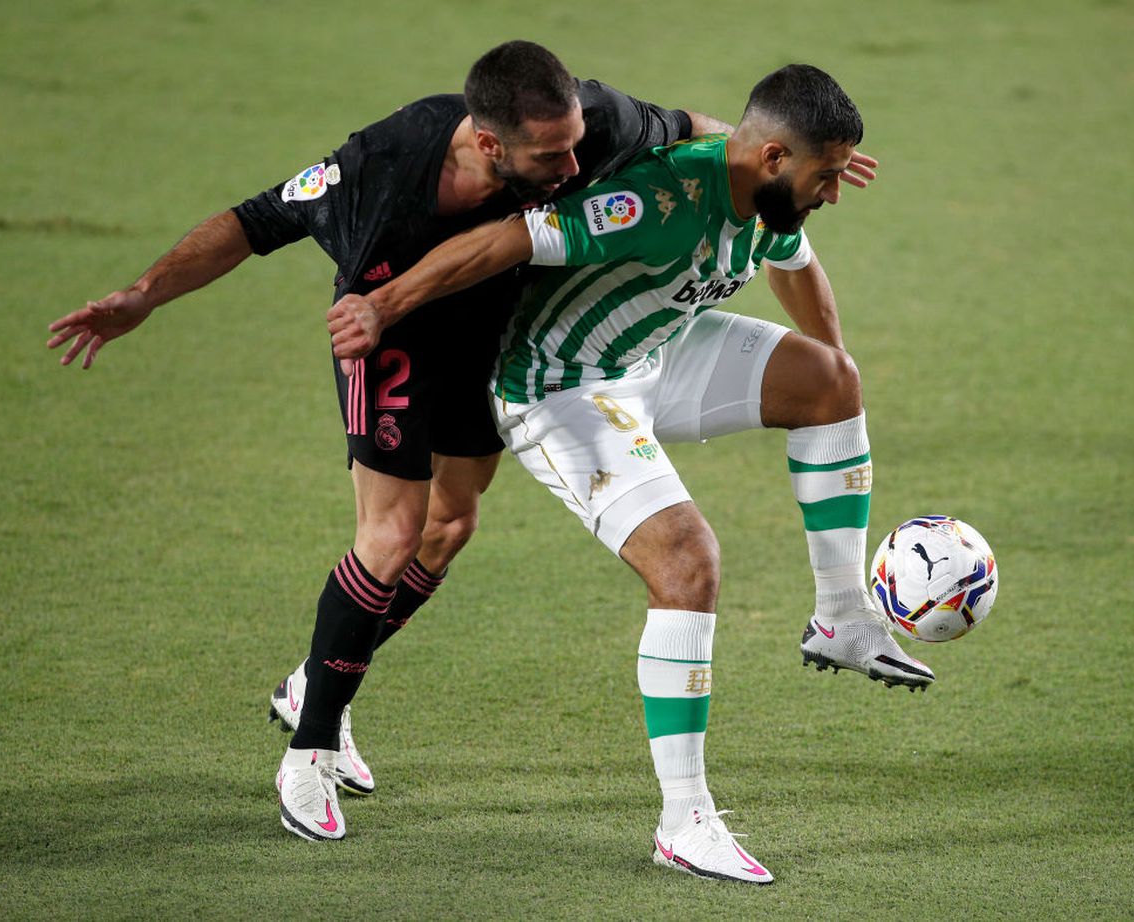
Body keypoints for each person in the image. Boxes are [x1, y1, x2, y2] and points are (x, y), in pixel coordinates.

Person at [47, 42, 879, 844]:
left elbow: (694, 128)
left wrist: (801, 164)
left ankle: (309, 683)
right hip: (390, 325)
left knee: (450, 528)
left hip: (491, 330)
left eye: (575, 148)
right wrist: (143, 295)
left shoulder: (589, 122)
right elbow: (254, 220)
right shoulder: (377, 170)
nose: (571, 171)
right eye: (551, 159)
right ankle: (310, 749)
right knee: (394, 534)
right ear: (488, 145)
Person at [328, 63, 930, 884]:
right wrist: (382, 306)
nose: (834, 192)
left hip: (654, 349)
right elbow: (509, 239)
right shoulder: (657, 202)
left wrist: (836, 356)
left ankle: (843, 617)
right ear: (777, 157)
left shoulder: (771, 192)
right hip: (563, 387)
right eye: (825, 176)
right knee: (688, 563)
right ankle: (684, 823)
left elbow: (795, 262)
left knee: (831, 382)